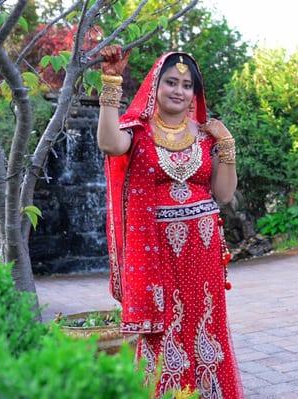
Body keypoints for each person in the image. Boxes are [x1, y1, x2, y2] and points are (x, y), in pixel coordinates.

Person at [97, 45, 244, 397]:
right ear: (155, 86)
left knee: (204, 324)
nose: (179, 90)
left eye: (187, 85)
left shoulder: (206, 135)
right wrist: (111, 83)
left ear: (195, 92)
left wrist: (227, 144)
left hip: (203, 252)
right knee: (163, 329)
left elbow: (222, 194)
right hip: (156, 254)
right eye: (171, 82)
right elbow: (109, 143)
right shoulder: (138, 131)